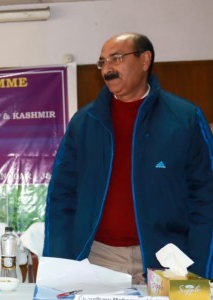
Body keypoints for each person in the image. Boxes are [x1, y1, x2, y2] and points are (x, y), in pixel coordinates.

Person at [43, 32, 213, 283]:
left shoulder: (185, 118)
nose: (107, 69)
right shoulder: (85, 122)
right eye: (102, 62)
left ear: (145, 60)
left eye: (116, 58)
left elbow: (206, 197)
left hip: (169, 259)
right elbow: (61, 197)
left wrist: (200, 269)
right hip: (100, 259)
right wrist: (59, 263)